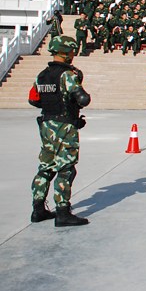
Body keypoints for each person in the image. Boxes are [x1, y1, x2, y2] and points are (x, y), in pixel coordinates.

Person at [28, 35, 92, 226]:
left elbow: (33, 100)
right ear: (66, 52)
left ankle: (38, 209)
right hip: (64, 127)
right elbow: (83, 99)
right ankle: (62, 212)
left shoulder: (42, 75)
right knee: (66, 169)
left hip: (47, 125)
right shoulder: (67, 75)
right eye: (72, 51)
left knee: (46, 167)